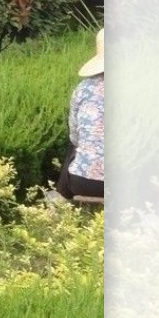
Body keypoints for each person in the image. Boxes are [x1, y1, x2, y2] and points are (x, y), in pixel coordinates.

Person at [56, 28, 104, 201]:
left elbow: (75, 137)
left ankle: (63, 197)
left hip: (81, 181)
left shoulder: (83, 89)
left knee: (75, 146)